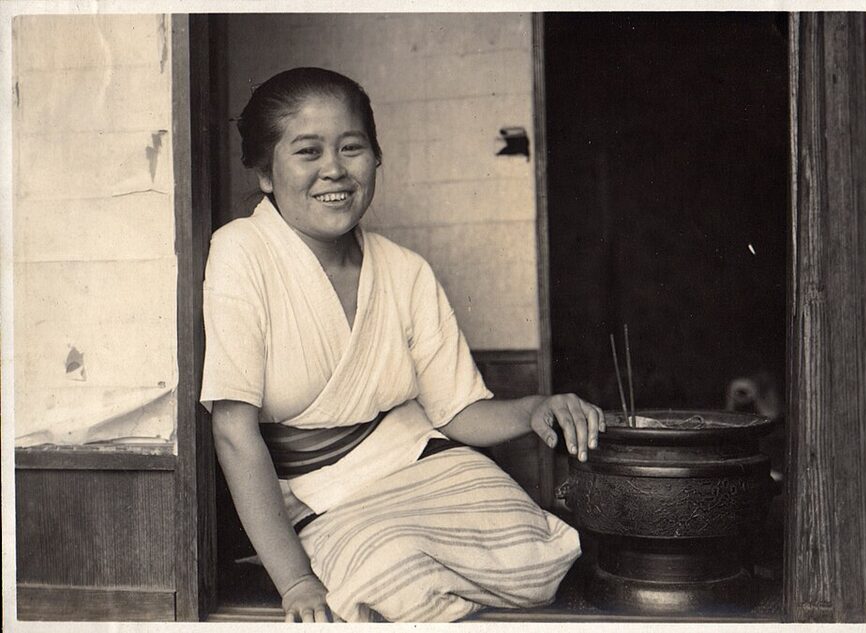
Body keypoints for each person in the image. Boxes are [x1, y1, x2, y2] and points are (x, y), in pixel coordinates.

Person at [200, 67, 604, 623]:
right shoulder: (241, 250)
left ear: (376, 157)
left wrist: (538, 407)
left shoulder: (403, 269)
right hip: (320, 498)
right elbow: (232, 429)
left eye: (352, 147)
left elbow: (458, 412)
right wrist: (295, 581)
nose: (335, 170)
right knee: (391, 578)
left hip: (418, 460)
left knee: (540, 555)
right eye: (307, 152)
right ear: (265, 173)